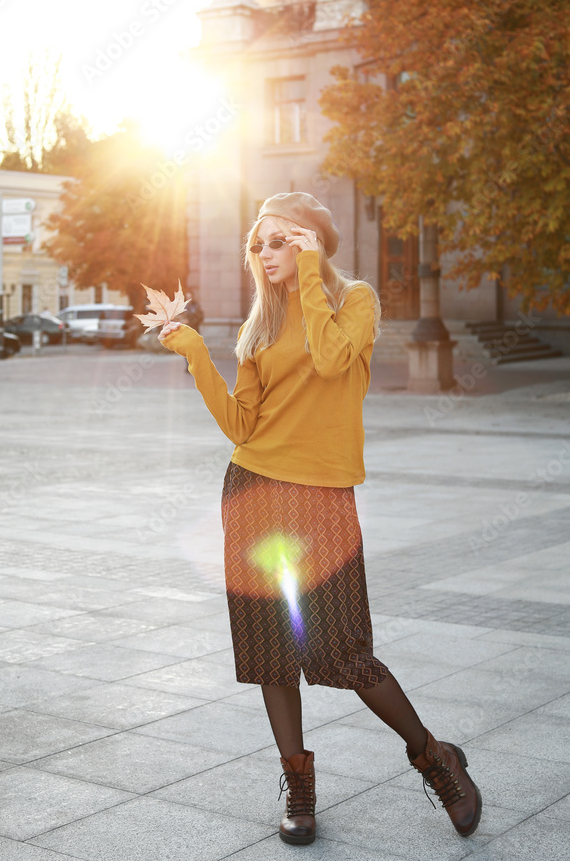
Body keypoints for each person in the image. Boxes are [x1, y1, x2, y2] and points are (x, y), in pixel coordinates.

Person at [158, 192, 481, 847]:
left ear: (313, 242)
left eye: (280, 240)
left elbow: (333, 359)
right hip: (252, 488)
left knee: (343, 652)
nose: (265, 253)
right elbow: (242, 425)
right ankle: (298, 784)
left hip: (322, 496)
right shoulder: (259, 327)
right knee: (271, 652)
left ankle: (432, 757)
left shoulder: (353, 300)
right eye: (259, 244)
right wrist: (193, 349)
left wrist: (307, 272)